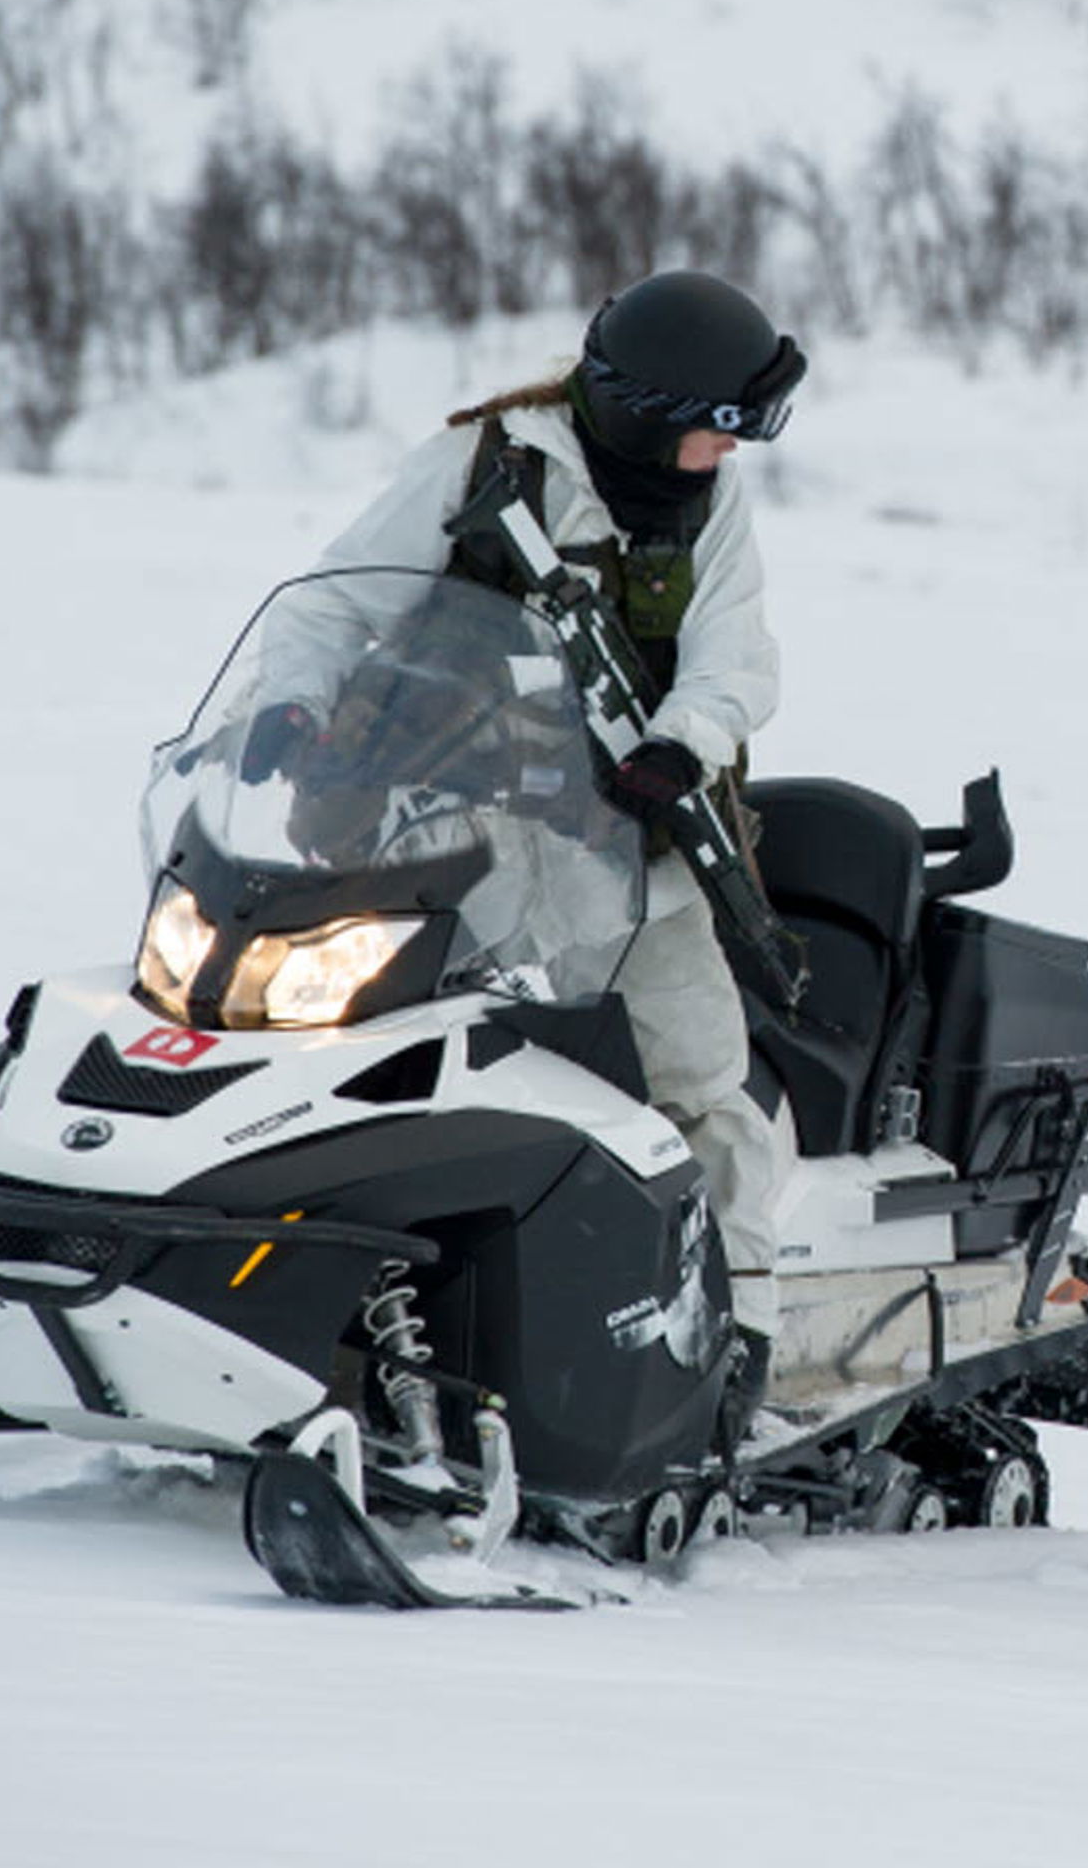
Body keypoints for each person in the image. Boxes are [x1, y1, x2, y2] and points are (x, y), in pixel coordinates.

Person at [306, 267, 804, 1391]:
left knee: (698, 1088)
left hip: (626, 855)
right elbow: (340, 601)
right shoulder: (484, 470)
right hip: (449, 845)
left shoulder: (712, 504)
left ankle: (733, 1352)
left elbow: (736, 652)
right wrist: (285, 716)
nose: (730, 456)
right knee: (390, 1070)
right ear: (649, 413)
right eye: (716, 432)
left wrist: (683, 739)